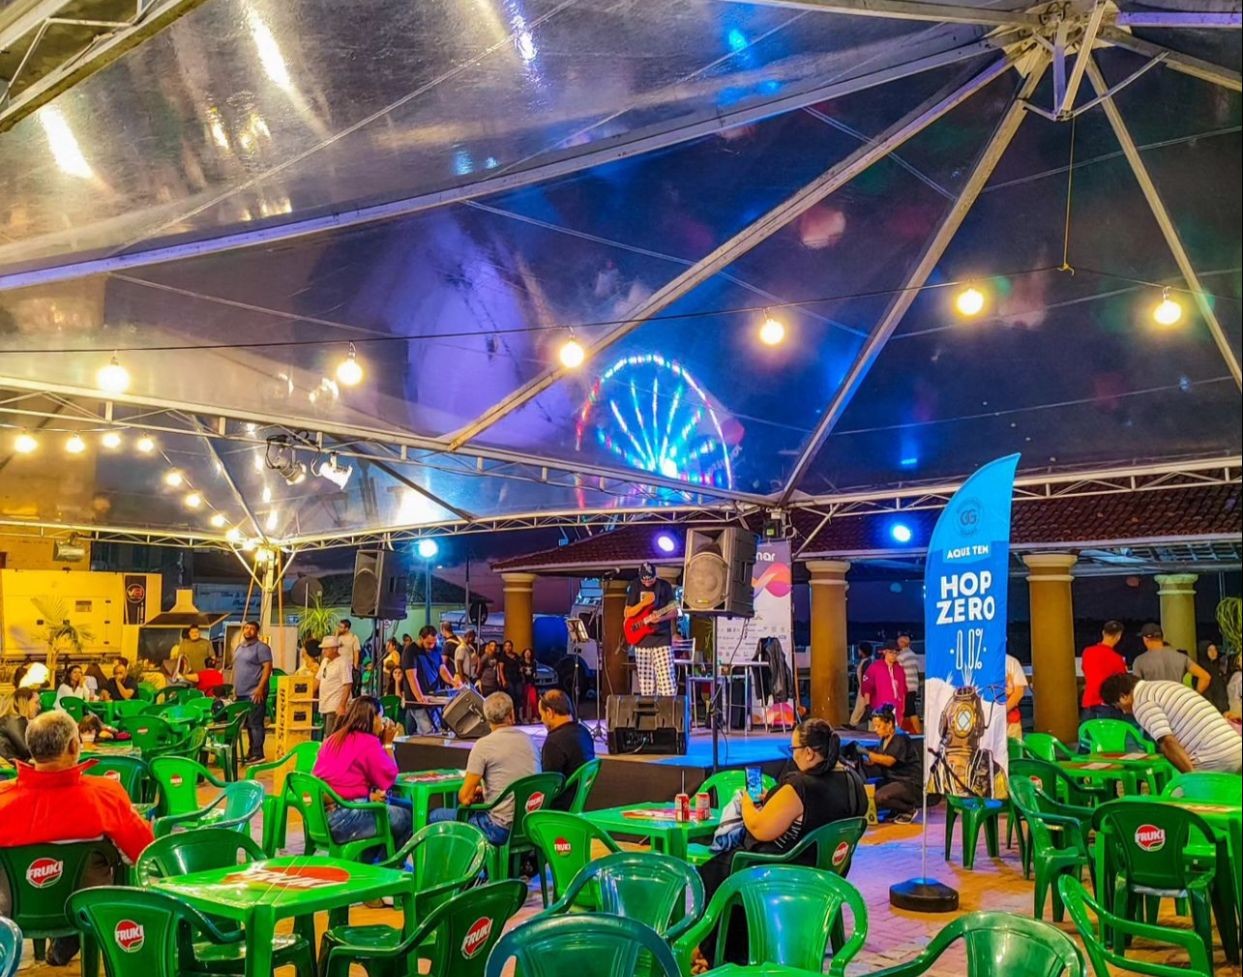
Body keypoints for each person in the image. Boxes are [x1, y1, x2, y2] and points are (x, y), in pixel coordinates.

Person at [695, 719, 867, 966]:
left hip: (789, 872)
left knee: (717, 869)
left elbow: (759, 828)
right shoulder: (854, 780)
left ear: (809, 753)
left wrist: (746, 803)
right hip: (830, 871)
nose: (792, 755)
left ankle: (719, 955)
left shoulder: (801, 786)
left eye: (793, 749)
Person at [0, 710, 155, 964]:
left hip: (10, 914)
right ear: (74, 746)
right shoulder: (106, 795)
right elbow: (143, 851)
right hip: (87, 911)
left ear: (31, 748)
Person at [429, 692, 539, 844]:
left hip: (498, 828)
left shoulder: (483, 746)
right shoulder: (530, 741)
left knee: (434, 816)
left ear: (486, 718)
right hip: (530, 825)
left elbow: (465, 798)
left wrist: (475, 793)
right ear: (512, 714)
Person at [310, 696, 411, 859]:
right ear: (372, 718)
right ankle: (386, 865)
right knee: (407, 817)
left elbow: (343, 780)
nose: (382, 723)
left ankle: (370, 861)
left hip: (321, 817)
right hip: (347, 817)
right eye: (381, 717)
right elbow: (389, 776)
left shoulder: (333, 738)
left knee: (402, 807)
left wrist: (369, 796)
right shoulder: (367, 742)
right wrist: (387, 744)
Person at [1101, 673, 1242, 773]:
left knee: (1177, 798)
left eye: (1118, 707)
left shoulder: (1142, 703)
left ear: (1123, 697)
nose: (1124, 712)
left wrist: (1190, 778)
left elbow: (1167, 743)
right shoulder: (1164, 686)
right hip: (1236, 749)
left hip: (1215, 757)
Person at [625, 562, 679, 696]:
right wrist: (644, 603)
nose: (647, 582)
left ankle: (667, 708)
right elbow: (627, 613)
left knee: (667, 683)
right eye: (644, 580)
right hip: (642, 640)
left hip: (662, 639)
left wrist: (660, 618)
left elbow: (675, 611)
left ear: (655, 576)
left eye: (650, 579)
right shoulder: (635, 586)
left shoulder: (664, 586)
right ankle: (648, 708)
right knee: (646, 686)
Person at [860, 705, 922, 822]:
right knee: (868, 787)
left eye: (878, 726)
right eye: (874, 726)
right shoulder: (884, 739)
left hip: (908, 782)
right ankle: (896, 810)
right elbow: (874, 760)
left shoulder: (899, 737)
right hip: (893, 781)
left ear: (889, 724)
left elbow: (889, 761)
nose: (875, 729)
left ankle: (909, 810)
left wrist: (867, 753)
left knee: (879, 796)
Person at [539, 689, 594, 809]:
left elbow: (549, 787)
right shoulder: (584, 732)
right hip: (581, 803)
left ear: (550, 712)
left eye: (542, 715)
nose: (542, 719)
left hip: (560, 810)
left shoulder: (553, 743)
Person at [233, 621, 273, 763]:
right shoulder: (240, 647)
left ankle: (258, 754)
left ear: (257, 632)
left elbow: (267, 668)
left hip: (254, 692)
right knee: (247, 724)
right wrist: (234, 689)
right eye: (246, 628)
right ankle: (251, 752)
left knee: (255, 723)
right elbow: (237, 669)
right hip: (241, 692)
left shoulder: (261, 648)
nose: (248, 630)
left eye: (252, 629)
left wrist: (260, 688)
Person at [1133, 623, 1210, 692]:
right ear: (1162, 637)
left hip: (1154, 702)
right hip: (1177, 701)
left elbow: (1136, 688)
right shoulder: (1181, 657)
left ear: (1146, 639)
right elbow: (1205, 677)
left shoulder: (1140, 661)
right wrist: (1194, 695)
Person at [1081, 621, 1128, 720]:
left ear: (1103, 633)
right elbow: (1122, 683)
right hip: (1108, 706)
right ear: (1119, 636)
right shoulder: (1118, 659)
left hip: (1089, 704)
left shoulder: (1087, 652)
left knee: (1088, 729)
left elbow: (1086, 672)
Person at [401, 626, 439, 735]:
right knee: (427, 731)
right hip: (417, 701)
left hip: (431, 698)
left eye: (434, 643)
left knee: (429, 730)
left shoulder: (435, 648)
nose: (431, 646)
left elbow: (442, 668)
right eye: (428, 643)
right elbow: (411, 676)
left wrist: (453, 682)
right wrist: (419, 697)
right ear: (421, 638)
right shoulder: (410, 651)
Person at [860, 644, 908, 728]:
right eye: (891, 652)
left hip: (897, 708)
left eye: (896, 653)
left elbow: (903, 689)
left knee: (895, 732)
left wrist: (903, 707)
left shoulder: (900, 669)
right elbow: (867, 688)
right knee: (878, 732)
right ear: (884, 652)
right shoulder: (875, 668)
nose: (893, 655)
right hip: (880, 708)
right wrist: (868, 706)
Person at [315, 636, 353, 738]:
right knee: (327, 734)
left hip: (335, 705)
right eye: (323, 649)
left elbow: (347, 684)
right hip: (325, 703)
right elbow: (318, 679)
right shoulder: (325, 661)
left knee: (332, 735)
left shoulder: (343, 662)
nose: (323, 651)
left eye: (326, 649)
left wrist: (342, 705)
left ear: (335, 649)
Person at [0, 687, 40, 763]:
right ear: (25, 702)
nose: (39, 707)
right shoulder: (14, 719)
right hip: (9, 767)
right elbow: (27, 749)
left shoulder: (9, 719)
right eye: (36, 702)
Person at [896, 634, 923, 734]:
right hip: (914, 685)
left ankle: (918, 731)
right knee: (908, 709)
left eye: (898, 643)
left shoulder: (900, 656)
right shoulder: (914, 655)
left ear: (902, 644)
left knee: (910, 709)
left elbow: (898, 671)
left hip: (906, 685)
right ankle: (908, 730)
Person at [1198, 641, 1231, 713]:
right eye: (1210, 650)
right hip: (1211, 710)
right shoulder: (1201, 670)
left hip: (1220, 709)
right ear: (1204, 652)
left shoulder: (1216, 668)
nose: (1213, 652)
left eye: (1215, 649)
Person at [849, 642, 874, 727]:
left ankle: (853, 723)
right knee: (860, 706)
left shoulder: (867, 662)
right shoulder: (865, 661)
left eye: (859, 650)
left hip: (865, 688)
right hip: (862, 687)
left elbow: (866, 676)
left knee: (861, 706)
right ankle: (853, 723)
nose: (858, 651)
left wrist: (865, 688)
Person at [1005, 654, 1029, 740]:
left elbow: (1019, 692)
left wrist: (1001, 711)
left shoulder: (1011, 662)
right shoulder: (978, 662)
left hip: (1010, 724)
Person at [336, 619, 363, 690]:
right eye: (338, 626)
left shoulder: (353, 637)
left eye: (341, 627)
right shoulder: (337, 637)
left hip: (348, 666)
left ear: (347, 628)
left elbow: (356, 652)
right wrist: (336, 635)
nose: (338, 628)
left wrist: (355, 667)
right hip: (337, 666)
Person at [500, 640, 523, 719]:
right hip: (508, 678)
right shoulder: (503, 657)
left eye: (509, 646)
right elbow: (500, 669)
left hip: (517, 678)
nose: (508, 647)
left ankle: (518, 715)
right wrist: (503, 680)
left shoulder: (516, 656)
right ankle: (512, 716)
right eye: (506, 646)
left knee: (519, 695)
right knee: (511, 696)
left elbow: (520, 664)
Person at [520, 649, 539, 723]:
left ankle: (534, 716)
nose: (527, 654)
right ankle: (524, 717)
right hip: (524, 683)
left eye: (529, 653)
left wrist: (535, 675)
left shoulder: (533, 663)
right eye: (526, 653)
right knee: (525, 700)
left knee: (533, 700)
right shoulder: (521, 662)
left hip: (532, 683)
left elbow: (535, 672)